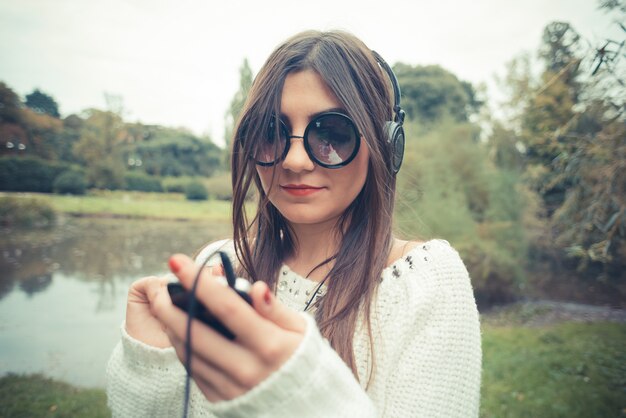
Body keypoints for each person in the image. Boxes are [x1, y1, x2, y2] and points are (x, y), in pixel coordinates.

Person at [106, 30, 482, 417]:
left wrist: (294, 392)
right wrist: (150, 363)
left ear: (385, 145)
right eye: (271, 133)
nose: (295, 161)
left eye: (331, 133)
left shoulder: (426, 282)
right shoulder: (219, 264)